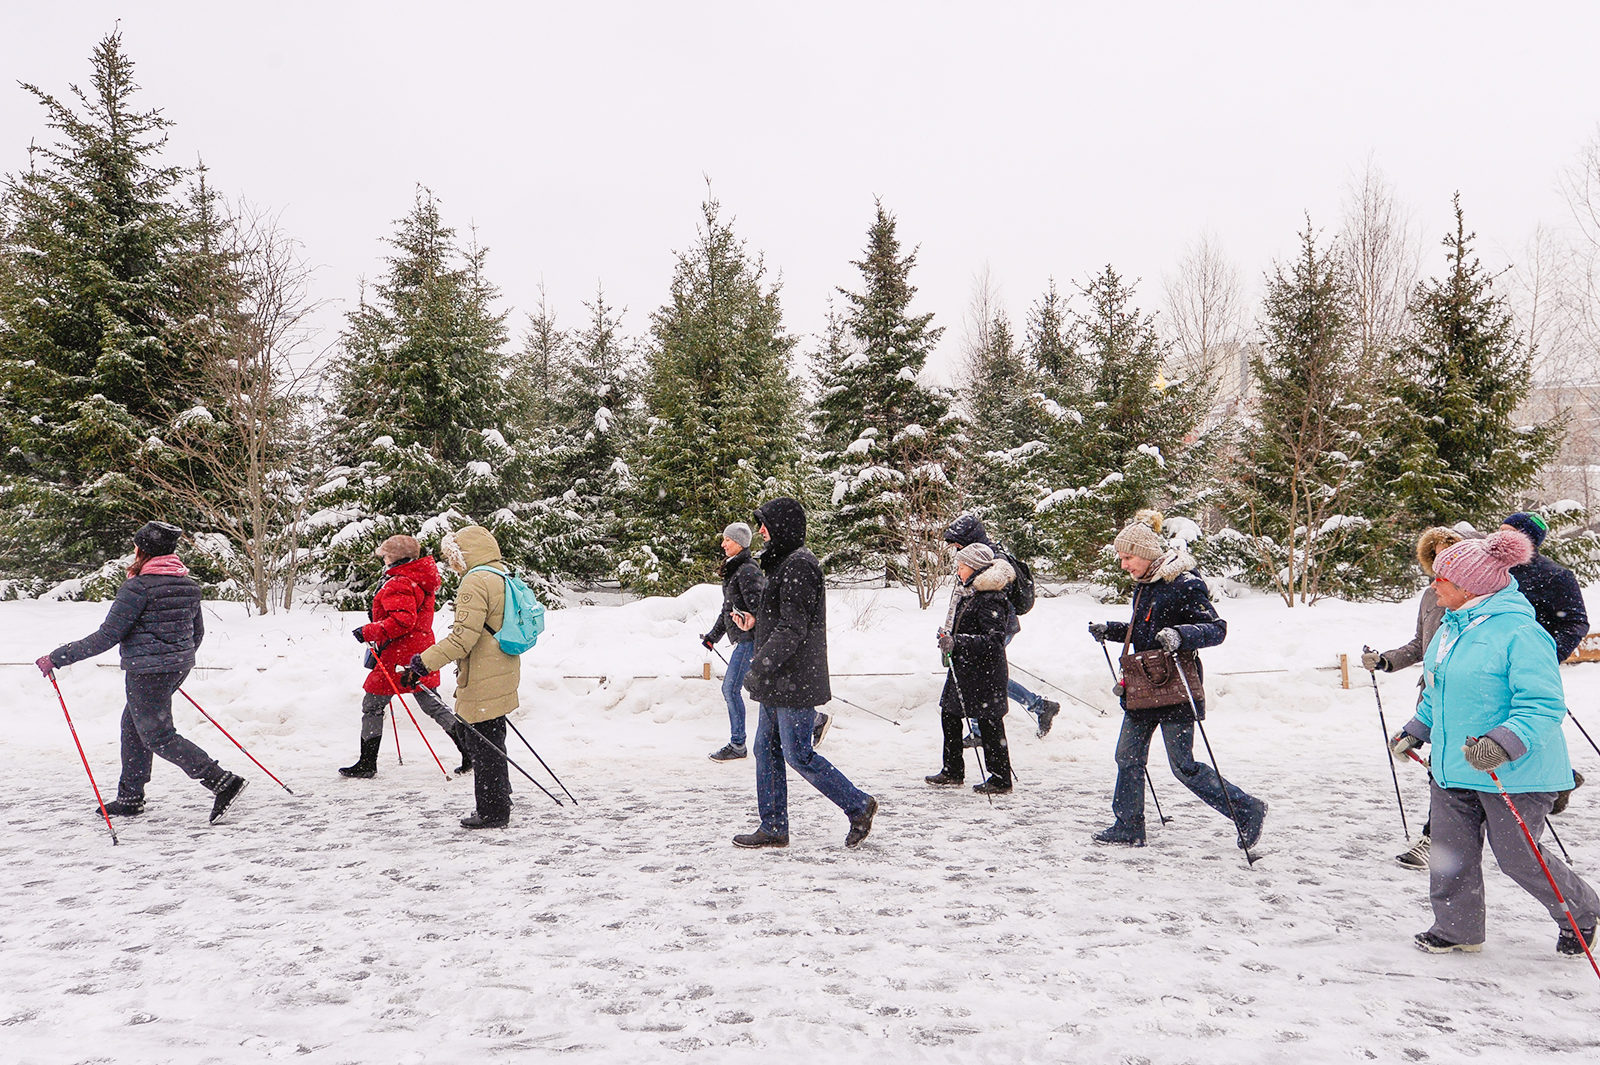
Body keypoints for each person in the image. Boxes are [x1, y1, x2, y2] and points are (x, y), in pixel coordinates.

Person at [1390, 528, 1598, 957]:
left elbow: (1542, 705)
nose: (1433, 585)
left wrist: (1502, 743)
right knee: (1451, 854)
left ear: (1469, 587)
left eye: (1441, 578)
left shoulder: (1521, 633)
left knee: (1519, 858)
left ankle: (1582, 912)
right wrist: (1418, 728)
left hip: (1515, 770)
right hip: (1453, 765)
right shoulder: (1450, 628)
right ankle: (1457, 928)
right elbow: (1438, 692)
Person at [35, 521, 247, 825]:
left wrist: (57, 657)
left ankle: (221, 781)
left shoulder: (138, 588)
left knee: (158, 735)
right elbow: (196, 634)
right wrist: (175, 660)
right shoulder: (188, 585)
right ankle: (130, 797)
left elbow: (108, 635)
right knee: (133, 725)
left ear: (143, 550)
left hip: (149, 671)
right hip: (175, 667)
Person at [1086, 511, 1267, 849]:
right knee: (1127, 756)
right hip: (1143, 687)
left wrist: (1182, 635)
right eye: (1122, 558)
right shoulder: (1145, 586)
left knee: (1183, 767)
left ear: (1147, 553)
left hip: (1176, 689)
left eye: (1128, 557)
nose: (1124, 565)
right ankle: (1128, 825)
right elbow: (1144, 633)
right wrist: (1110, 630)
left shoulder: (1183, 583)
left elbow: (1216, 629)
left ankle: (1247, 809)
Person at [730, 497, 877, 849]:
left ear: (782, 526)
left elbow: (793, 630)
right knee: (765, 749)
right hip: (778, 678)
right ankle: (774, 827)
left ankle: (858, 805)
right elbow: (784, 620)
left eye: (765, 524)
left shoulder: (799, 566)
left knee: (798, 753)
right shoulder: (786, 563)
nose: (761, 531)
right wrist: (754, 622)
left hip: (794, 678)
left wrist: (760, 664)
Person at [1362, 526, 1470, 869]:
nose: (1441, 559)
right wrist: (1386, 660)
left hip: (1469, 695)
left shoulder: (1478, 593)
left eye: (1449, 551)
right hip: (1434, 694)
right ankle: (1436, 838)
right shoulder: (1430, 595)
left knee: (1459, 772)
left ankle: (1444, 838)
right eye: (1435, 553)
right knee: (1441, 770)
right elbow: (1421, 645)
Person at [402, 526, 520, 830]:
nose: (452, 564)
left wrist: (422, 663)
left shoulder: (475, 581)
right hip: (503, 665)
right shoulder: (501, 575)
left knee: (482, 742)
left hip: (482, 671)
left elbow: (461, 640)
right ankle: (500, 797)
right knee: (492, 736)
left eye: (453, 556)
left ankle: (493, 811)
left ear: (463, 554)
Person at [341, 534, 473, 778]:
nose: (384, 559)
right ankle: (470, 752)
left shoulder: (399, 582)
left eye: (386, 555)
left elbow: (403, 621)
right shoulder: (416, 578)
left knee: (372, 706)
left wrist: (367, 631)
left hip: (398, 655)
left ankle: (367, 763)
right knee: (432, 704)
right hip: (418, 652)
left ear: (395, 557)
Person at [944, 515, 1060, 737]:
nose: (955, 547)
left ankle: (1034, 708)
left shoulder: (993, 561)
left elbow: (993, 601)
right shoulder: (975, 557)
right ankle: (1039, 706)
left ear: (969, 539)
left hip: (996, 628)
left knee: (984, 675)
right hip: (982, 627)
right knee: (984, 674)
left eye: (958, 542)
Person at [927, 542, 1017, 794]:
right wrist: (950, 636)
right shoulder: (972, 592)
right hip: (965, 669)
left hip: (985, 672)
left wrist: (959, 641)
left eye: (962, 567)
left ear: (976, 569)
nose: (958, 571)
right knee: (950, 715)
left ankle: (1000, 778)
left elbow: (995, 640)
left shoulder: (991, 598)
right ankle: (952, 770)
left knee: (990, 723)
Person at [702, 522, 767, 761]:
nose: (723, 544)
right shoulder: (736, 569)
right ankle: (812, 719)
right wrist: (713, 636)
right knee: (764, 688)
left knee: (730, 688)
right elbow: (728, 609)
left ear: (739, 543)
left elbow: (759, 608)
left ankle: (738, 744)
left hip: (750, 640)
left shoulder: (747, 570)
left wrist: (754, 627)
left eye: (727, 540)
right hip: (744, 638)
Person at [1500, 511, 1589, 663]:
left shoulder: (1555, 575)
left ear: (1528, 539)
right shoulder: (1492, 569)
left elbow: (1575, 622)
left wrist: (1547, 657)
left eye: (1509, 533)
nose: (1500, 537)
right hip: (1490, 661)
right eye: (1500, 531)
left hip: (1527, 661)